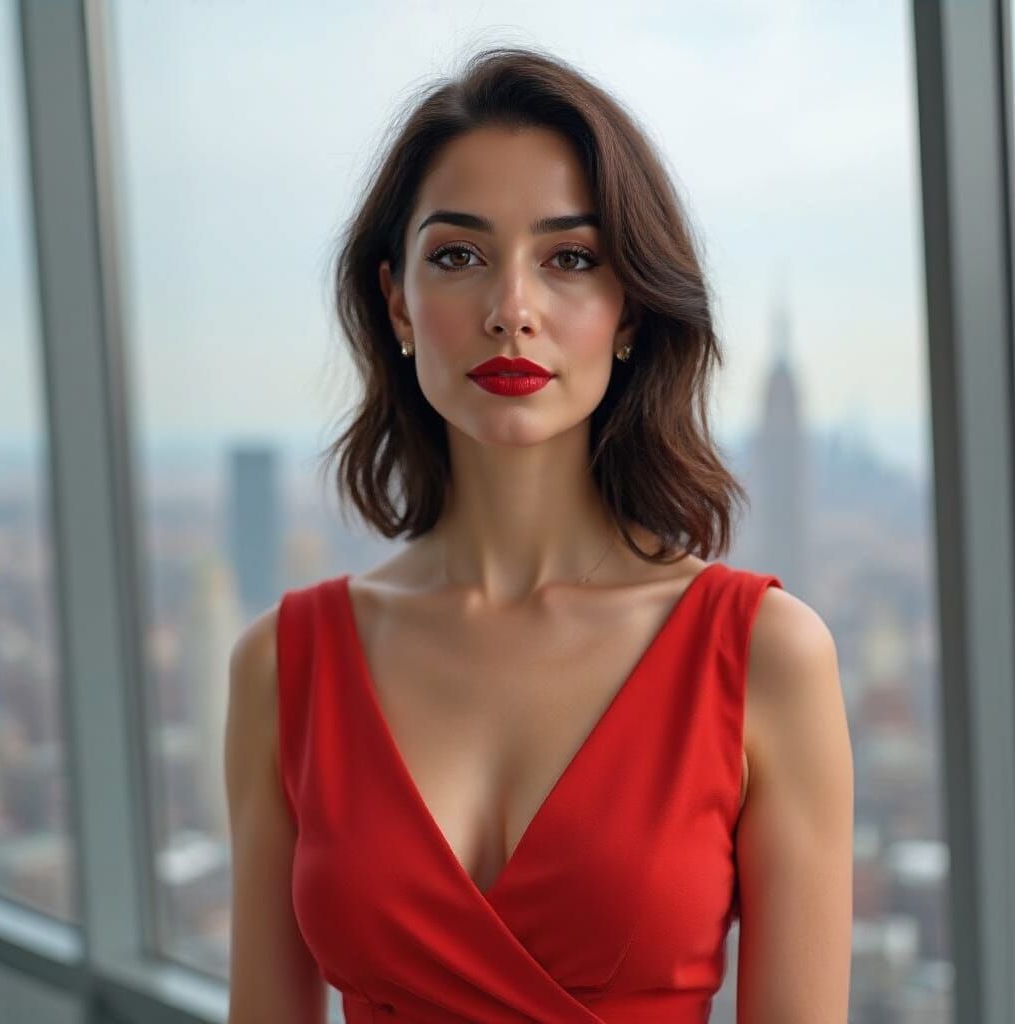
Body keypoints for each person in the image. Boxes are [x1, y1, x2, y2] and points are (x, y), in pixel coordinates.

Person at [224, 44, 853, 1023]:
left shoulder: (766, 657)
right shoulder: (283, 666)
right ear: (396, 301)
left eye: (569, 259)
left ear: (629, 309)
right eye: (458, 256)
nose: (511, 310)